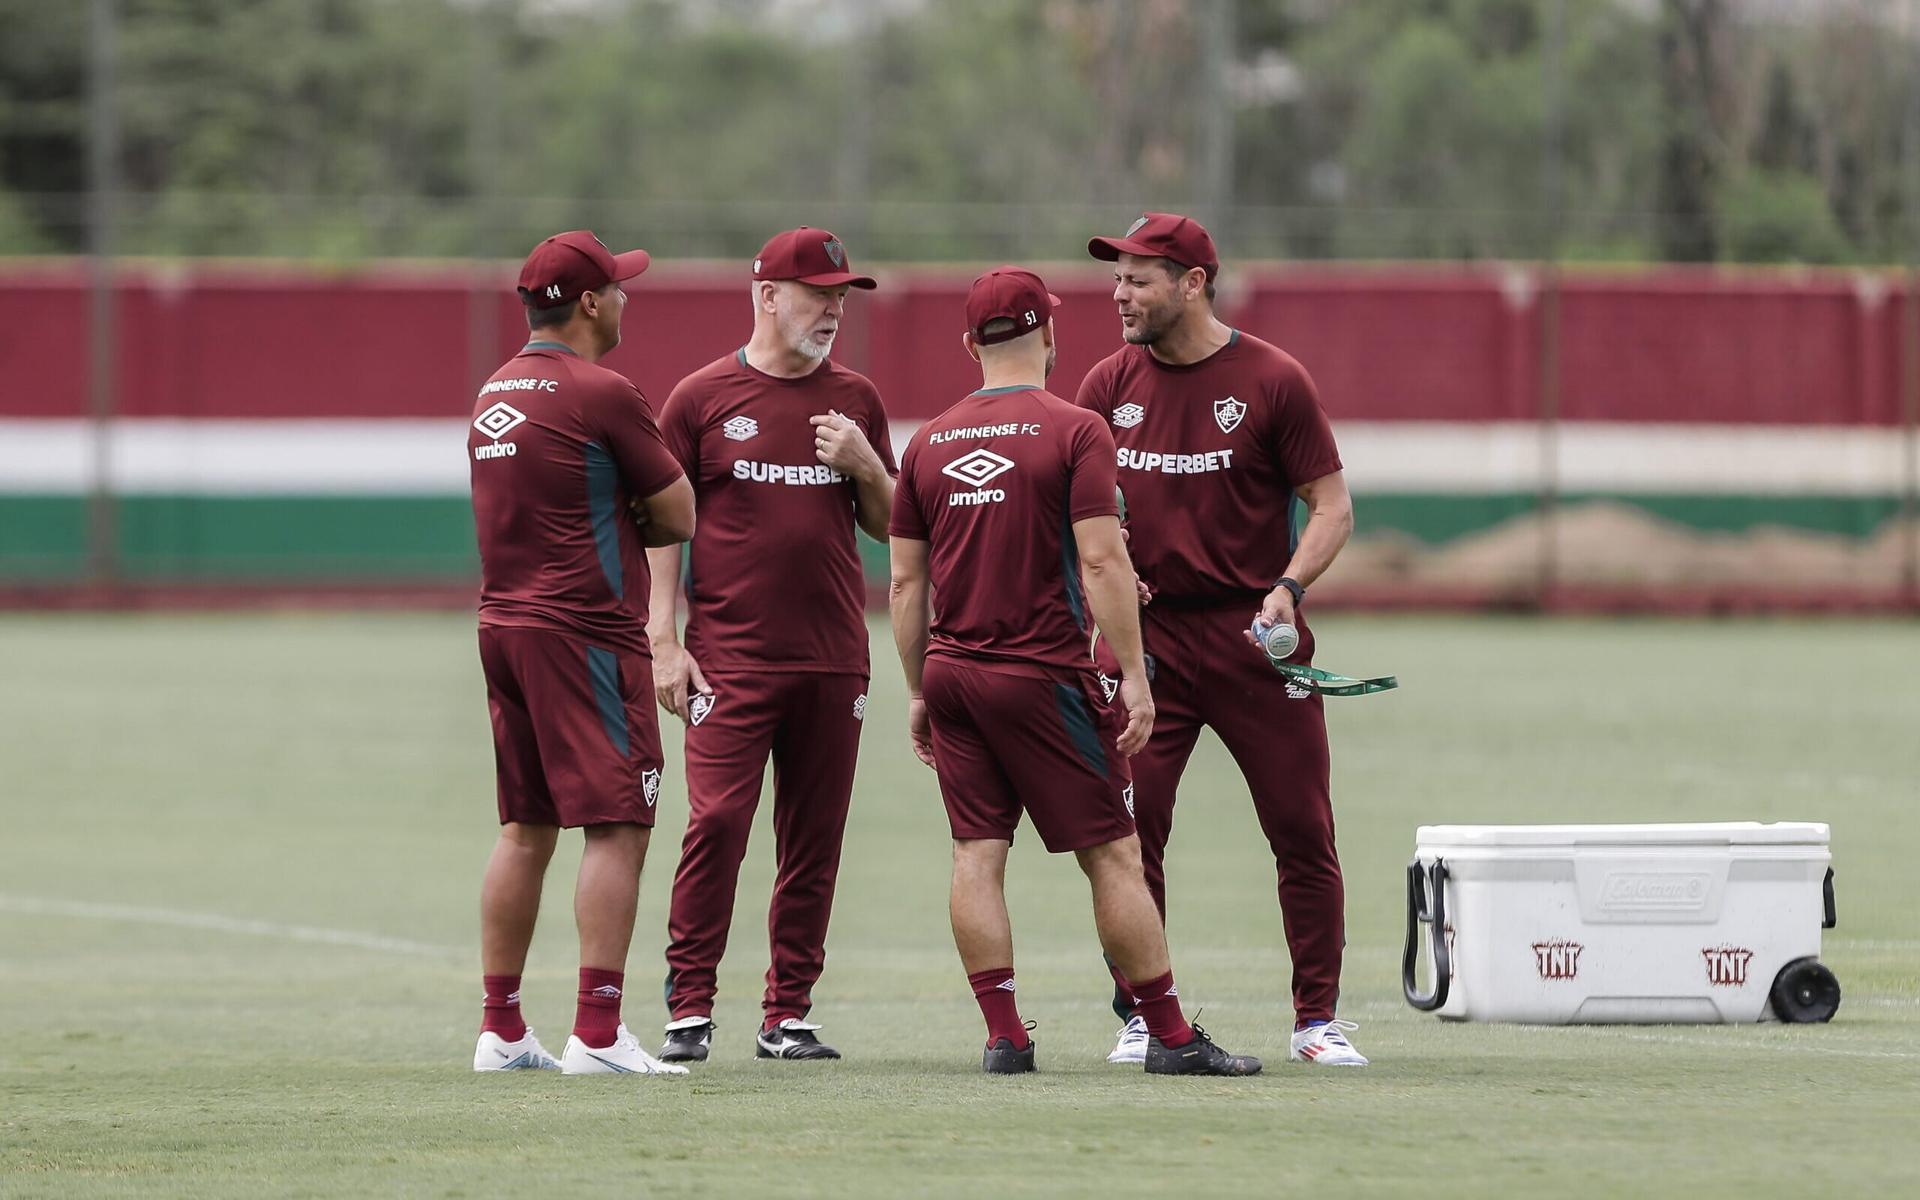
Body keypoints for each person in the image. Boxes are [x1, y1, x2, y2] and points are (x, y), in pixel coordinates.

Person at [888, 265, 1260, 1077]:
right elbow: (1101, 559)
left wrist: (919, 688)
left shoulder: (926, 441)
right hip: (1044, 673)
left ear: (968, 345)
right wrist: (1133, 671)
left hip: (952, 670)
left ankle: (1004, 1036)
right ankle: (1167, 1035)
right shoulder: (1076, 428)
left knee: (976, 854)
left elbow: (906, 584)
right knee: (1115, 856)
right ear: (1050, 337)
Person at [1077, 213, 1366, 1067]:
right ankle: (1143, 1015)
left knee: (1302, 828)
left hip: (1253, 634)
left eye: (1137, 279)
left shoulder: (1274, 379)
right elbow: (1075, 518)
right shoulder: (1104, 385)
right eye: (1116, 278)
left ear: (1192, 282)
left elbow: (1334, 505)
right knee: (1129, 835)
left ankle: (1316, 1021)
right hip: (1147, 643)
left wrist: (1288, 587)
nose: (1119, 294)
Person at [649, 228, 895, 1063]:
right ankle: (688, 1006)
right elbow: (660, 528)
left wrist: (866, 465)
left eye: (841, 295)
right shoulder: (699, 397)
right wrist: (662, 640)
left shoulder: (857, 399)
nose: (833, 309)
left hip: (832, 656)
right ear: (767, 296)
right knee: (716, 823)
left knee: (813, 838)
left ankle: (787, 1012)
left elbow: (889, 526)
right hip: (730, 658)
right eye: (818, 293)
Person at [468, 230, 696, 1076]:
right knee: (618, 822)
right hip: (586, 634)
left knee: (525, 825)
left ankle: (501, 1029)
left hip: (503, 627)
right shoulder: (602, 391)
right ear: (591, 303)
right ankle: (597, 1035)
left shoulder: (494, 392)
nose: (629, 297)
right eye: (620, 287)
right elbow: (678, 515)